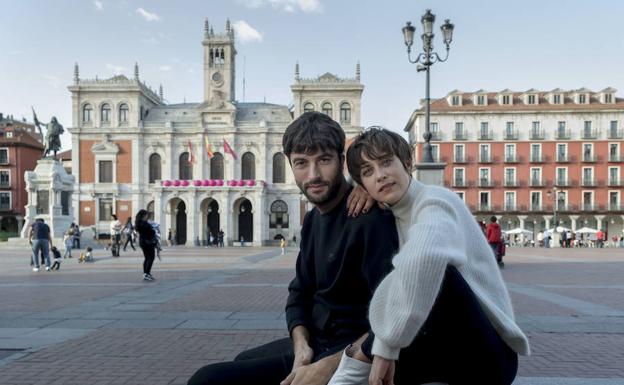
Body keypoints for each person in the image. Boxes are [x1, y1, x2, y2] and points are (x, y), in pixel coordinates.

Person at [187, 112, 399, 385]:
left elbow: (395, 314)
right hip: (316, 344)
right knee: (242, 360)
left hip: (355, 353)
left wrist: (329, 366)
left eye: (324, 160)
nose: (313, 175)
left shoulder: (371, 218)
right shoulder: (312, 220)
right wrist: (301, 345)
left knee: (207, 380)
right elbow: (299, 292)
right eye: (301, 163)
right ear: (290, 165)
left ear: (341, 161)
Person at [328, 127, 529, 385]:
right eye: (368, 172)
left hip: (488, 357)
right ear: (363, 185)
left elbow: (423, 260)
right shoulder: (390, 216)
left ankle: (355, 364)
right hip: (444, 349)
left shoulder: (436, 201)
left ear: (408, 163)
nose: (380, 175)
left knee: (428, 267)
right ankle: (354, 365)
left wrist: (384, 348)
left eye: (386, 162)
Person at [136, 209, 158, 281]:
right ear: (143, 216)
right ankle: (147, 273)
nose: (147, 217)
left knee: (147, 258)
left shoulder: (139, 223)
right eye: (146, 215)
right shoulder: (144, 224)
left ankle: (145, 273)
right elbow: (151, 232)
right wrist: (153, 230)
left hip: (143, 242)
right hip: (148, 242)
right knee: (151, 257)